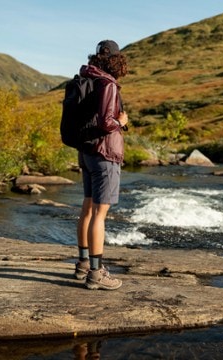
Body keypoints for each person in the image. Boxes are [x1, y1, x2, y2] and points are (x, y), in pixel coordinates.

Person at [74, 40, 128, 290]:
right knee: (99, 214)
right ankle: (96, 273)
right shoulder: (107, 83)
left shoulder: (88, 79)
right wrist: (121, 122)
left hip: (86, 151)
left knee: (87, 208)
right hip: (104, 154)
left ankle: (83, 264)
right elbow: (107, 122)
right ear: (115, 59)